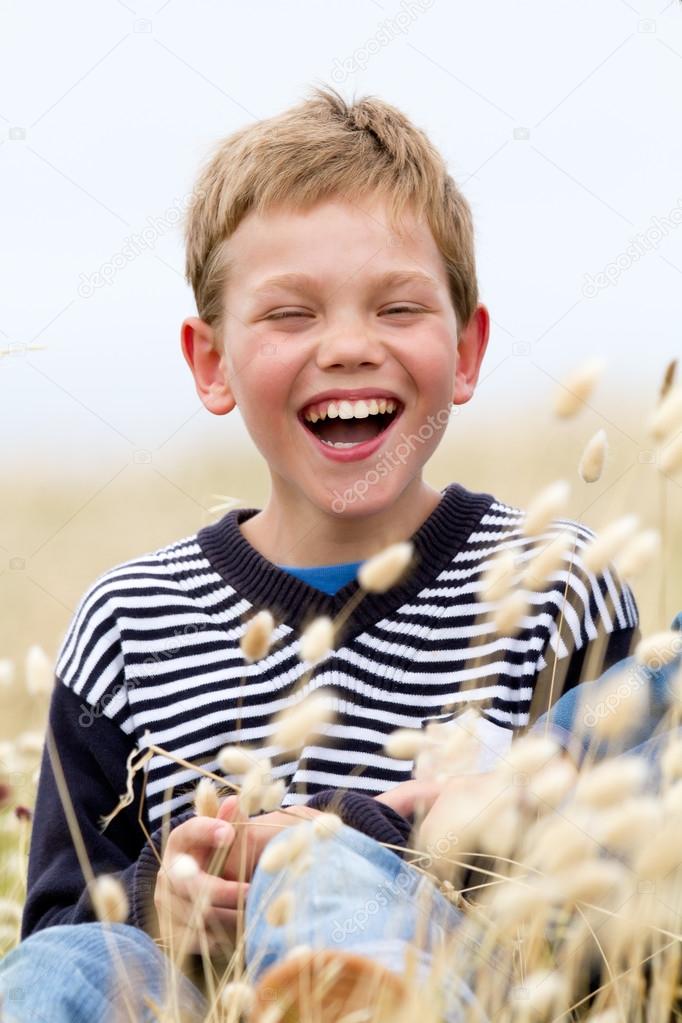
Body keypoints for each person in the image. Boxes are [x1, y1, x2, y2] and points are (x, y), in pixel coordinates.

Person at [0, 86, 640, 1020]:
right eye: (291, 315)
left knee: (328, 867)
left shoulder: (552, 588)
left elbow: (623, 898)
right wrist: (161, 902)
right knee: (65, 964)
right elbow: (62, 927)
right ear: (210, 361)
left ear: (467, 349)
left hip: (475, 990)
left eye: (397, 307)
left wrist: (356, 847)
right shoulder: (130, 629)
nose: (347, 346)